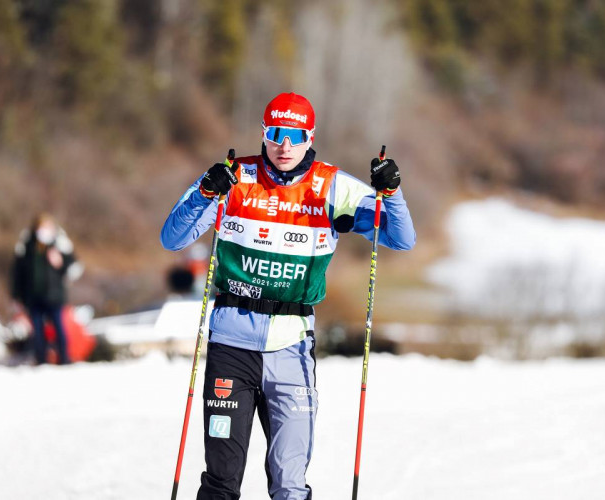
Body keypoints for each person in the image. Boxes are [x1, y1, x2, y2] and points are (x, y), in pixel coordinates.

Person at [161, 92, 416, 499]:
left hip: (291, 349)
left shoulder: (333, 187)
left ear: (309, 137)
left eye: (295, 136)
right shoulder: (234, 178)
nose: (285, 146)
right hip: (231, 346)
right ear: (264, 133)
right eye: (276, 134)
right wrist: (206, 192)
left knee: (289, 482)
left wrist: (392, 193)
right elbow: (172, 237)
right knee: (222, 480)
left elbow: (401, 239)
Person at [11, 213, 82, 365]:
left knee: (59, 328)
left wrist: (60, 263)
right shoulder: (27, 246)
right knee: (37, 331)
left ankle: (64, 359)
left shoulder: (59, 244)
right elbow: (18, 274)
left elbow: (73, 268)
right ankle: (41, 360)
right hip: (33, 296)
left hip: (54, 296)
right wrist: (17, 296)